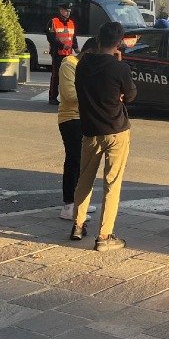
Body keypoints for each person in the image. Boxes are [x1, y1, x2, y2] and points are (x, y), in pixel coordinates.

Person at [71, 21, 136, 251]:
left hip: (90, 129)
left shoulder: (82, 65)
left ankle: (77, 225)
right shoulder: (119, 68)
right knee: (112, 182)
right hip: (116, 129)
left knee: (84, 179)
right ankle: (104, 235)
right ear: (118, 42)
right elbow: (130, 96)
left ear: (98, 39)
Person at [57, 41, 99, 222]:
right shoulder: (69, 64)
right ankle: (68, 205)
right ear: (88, 52)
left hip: (85, 118)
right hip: (71, 118)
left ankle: (79, 200)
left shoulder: (88, 68)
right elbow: (70, 95)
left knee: (84, 162)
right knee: (74, 160)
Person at [46, 2, 78, 106]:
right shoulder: (53, 22)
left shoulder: (71, 23)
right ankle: (52, 97)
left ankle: (65, 97)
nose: (68, 13)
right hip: (57, 53)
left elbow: (73, 38)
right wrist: (61, 46)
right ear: (61, 10)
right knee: (56, 76)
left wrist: (76, 48)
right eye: (66, 11)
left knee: (67, 76)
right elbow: (50, 38)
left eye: (69, 11)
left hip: (68, 53)